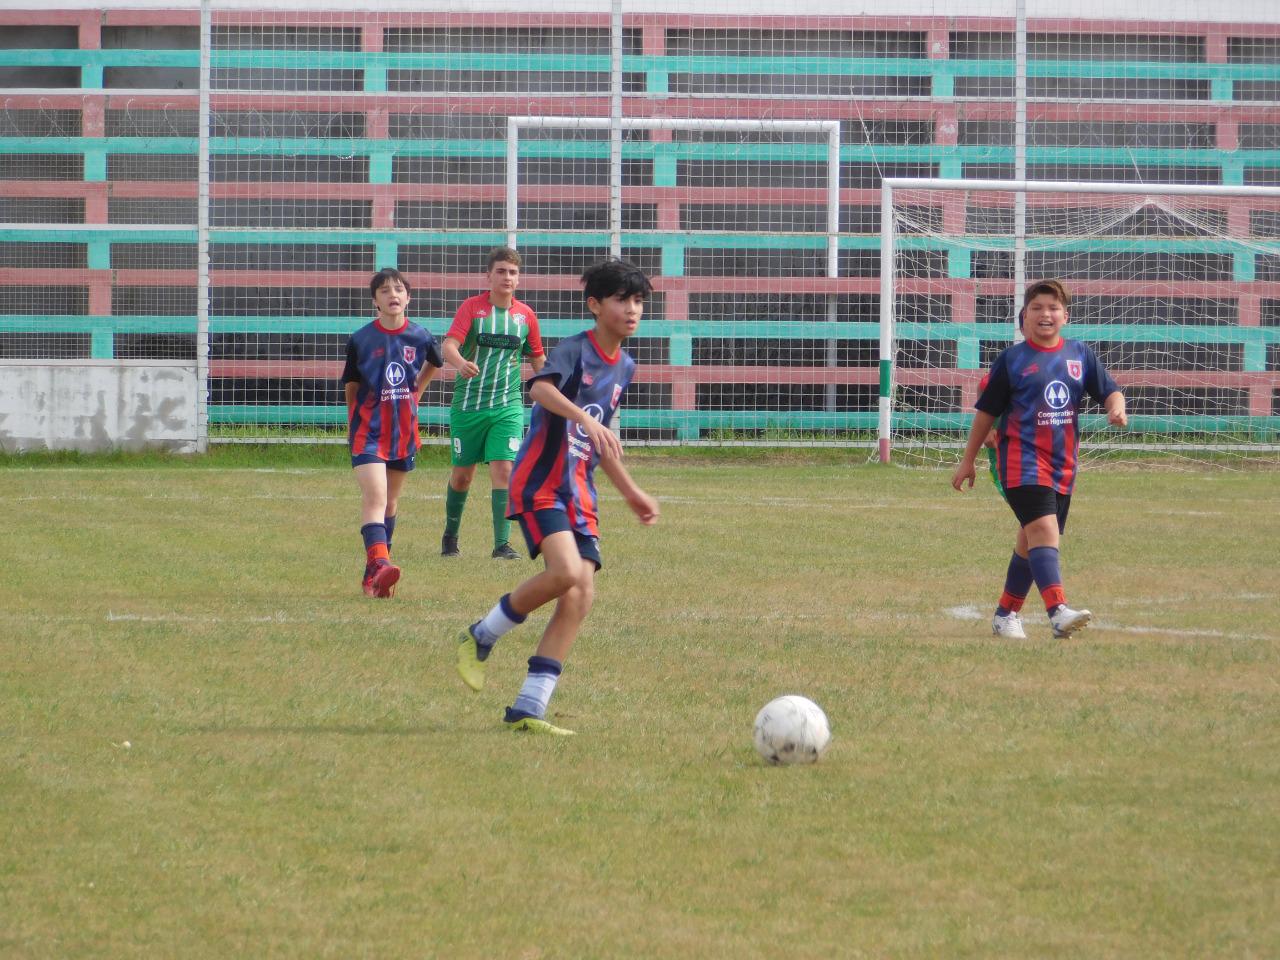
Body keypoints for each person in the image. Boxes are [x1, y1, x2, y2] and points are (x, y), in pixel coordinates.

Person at [453, 259, 659, 735]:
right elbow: (540, 390)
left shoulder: (625, 366)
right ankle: (480, 635)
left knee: (580, 595)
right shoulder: (575, 350)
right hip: (541, 482)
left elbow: (599, 440)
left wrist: (631, 492)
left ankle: (529, 707)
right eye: (622, 300)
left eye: (639, 301)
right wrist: (582, 416)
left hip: (580, 491)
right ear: (595, 305)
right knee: (565, 572)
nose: (632, 310)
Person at [952, 279, 1127, 639]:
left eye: (1053, 307)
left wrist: (1116, 407)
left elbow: (1111, 391)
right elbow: (985, 414)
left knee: (1031, 538)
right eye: (1037, 307)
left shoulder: (1079, 355)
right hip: (1021, 461)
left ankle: (1005, 614)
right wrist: (968, 460)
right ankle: (1058, 612)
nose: (1045, 314)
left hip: (1062, 465)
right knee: (1044, 531)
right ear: (1025, 316)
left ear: (1065, 315)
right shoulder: (1012, 360)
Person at [342, 268, 442, 598]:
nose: (392, 295)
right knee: (376, 498)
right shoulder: (361, 339)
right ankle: (382, 565)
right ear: (375, 300)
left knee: (390, 503)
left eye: (398, 289)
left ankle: (374, 574)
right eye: (384, 290)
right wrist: (353, 421)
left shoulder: (420, 336)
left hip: (403, 433)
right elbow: (351, 385)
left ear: (408, 297)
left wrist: (416, 393)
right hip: (368, 433)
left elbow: (436, 362)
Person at [440, 247, 545, 559]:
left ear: (518, 278)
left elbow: (538, 358)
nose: (507, 277)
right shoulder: (472, 308)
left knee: (504, 468)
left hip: (507, 406)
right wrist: (461, 363)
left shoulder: (525, 316)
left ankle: (502, 545)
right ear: (488, 276)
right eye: (501, 271)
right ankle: (450, 537)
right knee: (463, 475)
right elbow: (449, 345)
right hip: (468, 407)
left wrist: (554, 391)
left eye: (512, 272)